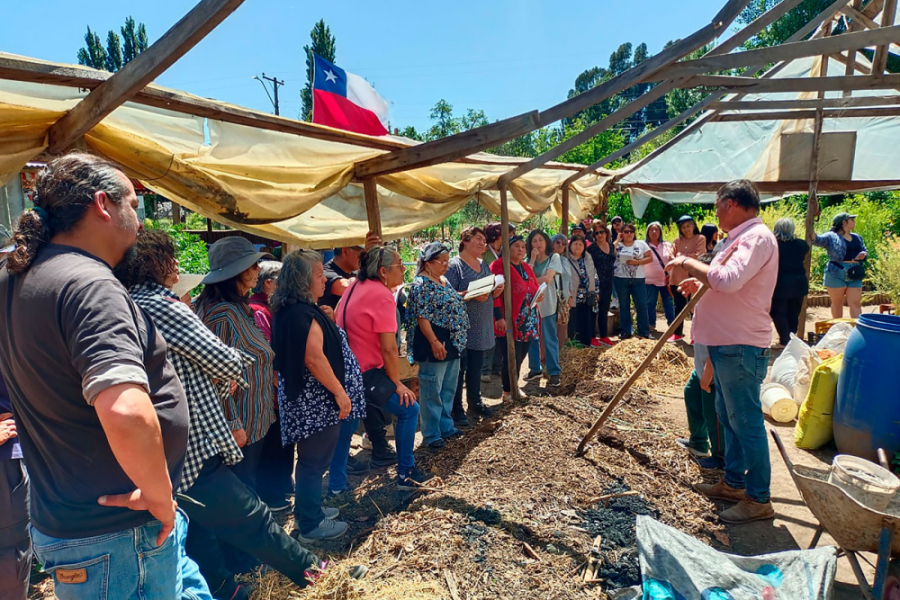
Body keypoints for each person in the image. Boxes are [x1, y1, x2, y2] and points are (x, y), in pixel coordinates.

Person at [0, 154, 207, 599]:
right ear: (103, 205)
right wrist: (157, 493)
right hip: (117, 535)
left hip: (78, 523)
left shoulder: (16, 279)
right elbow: (127, 413)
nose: (139, 215)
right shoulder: (88, 285)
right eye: (133, 202)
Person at [119, 231, 332, 599]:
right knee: (250, 516)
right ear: (160, 264)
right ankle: (313, 574)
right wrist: (230, 380)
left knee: (201, 523)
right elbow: (225, 360)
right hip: (199, 438)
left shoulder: (126, 303)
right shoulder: (165, 305)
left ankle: (224, 586)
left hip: (170, 441)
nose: (178, 267)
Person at [666, 179, 778, 524]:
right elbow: (723, 282)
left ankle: (758, 498)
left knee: (746, 422)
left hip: (740, 345)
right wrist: (700, 280)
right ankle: (733, 483)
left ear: (730, 203)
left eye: (716, 206)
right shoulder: (739, 238)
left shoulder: (756, 238)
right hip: (725, 344)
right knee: (729, 418)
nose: (715, 213)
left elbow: (727, 280)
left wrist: (687, 262)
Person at [271, 250, 367, 542]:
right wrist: (340, 393)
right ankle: (311, 525)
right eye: (317, 274)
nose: (324, 278)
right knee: (314, 463)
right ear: (301, 280)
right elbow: (313, 359)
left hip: (309, 400)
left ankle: (310, 511)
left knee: (313, 463)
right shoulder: (300, 313)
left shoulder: (294, 309)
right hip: (316, 401)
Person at [336, 247, 431, 489]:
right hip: (366, 373)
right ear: (383, 271)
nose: (403, 268)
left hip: (345, 369)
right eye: (400, 264)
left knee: (345, 426)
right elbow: (389, 348)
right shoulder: (382, 295)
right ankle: (406, 473)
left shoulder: (354, 287)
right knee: (409, 409)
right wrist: (397, 383)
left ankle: (337, 485)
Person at [194, 237, 276, 494]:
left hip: (252, 418)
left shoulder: (238, 308)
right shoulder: (221, 314)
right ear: (235, 273)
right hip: (239, 424)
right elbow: (214, 375)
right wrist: (233, 424)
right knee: (240, 491)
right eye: (252, 266)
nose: (258, 270)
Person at [405, 242, 468, 449]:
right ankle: (431, 434)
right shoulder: (421, 285)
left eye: (447, 261)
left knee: (448, 388)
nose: (446, 266)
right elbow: (422, 316)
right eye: (442, 262)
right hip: (434, 343)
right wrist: (433, 341)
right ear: (428, 263)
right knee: (432, 389)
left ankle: (446, 426)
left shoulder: (442, 280)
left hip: (451, 342)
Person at [446, 228, 503, 427]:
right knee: (459, 370)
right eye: (478, 239)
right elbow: (448, 295)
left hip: (480, 325)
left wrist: (495, 292)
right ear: (465, 240)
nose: (483, 243)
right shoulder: (455, 266)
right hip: (462, 327)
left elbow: (487, 293)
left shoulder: (483, 264)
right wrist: (470, 295)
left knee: (475, 367)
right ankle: (456, 409)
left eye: (484, 240)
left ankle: (474, 402)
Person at [249, 261, 293, 513]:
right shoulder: (258, 310)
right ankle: (272, 495)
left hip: (275, 389)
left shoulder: (268, 307)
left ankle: (283, 485)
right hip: (270, 391)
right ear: (268, 282)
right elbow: (267, 354)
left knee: (282, 441)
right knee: (273, 442)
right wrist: (278, 382)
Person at [490, 237, 542, 401]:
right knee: (511, 356)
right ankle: (507, 391)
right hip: (510, 319)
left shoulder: (525, 266)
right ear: (507, 248)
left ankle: (515, 386)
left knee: (520, 356)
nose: (520, 249)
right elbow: (495, 293)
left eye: (522, 247)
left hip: (528, 319)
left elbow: (533, 286)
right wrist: (498, 316)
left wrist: (538, 295)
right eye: (516, 246)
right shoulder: (499, 265)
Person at [678, 343, 726, 471]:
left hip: (713, 368)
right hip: (702, 365)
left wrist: (709, 372)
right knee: (691, 393)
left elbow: (720, 342)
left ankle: (721, 458)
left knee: (713, 415)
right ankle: (698, 443)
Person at [525, 229, 563, 387]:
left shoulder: (554, 257)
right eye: (534, 241)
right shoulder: (528, 260)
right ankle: (535, 369)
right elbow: (525, 277)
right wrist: (532, 260)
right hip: (531, 305)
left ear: (546, 241)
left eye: (541, 240)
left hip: (547, 304)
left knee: (549, 338)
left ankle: (554, 372)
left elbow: (547, 279)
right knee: (532, 338)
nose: (538, 243)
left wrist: (530, 282)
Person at [814, 212, 868, 319]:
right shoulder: (831, 236)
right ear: (844, 222)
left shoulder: (857, 237)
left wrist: (863, 255)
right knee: (837, 303)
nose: (854, 222)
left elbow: (864, 250)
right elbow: (817, 240)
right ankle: (838, 328)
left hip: (855, 272)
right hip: (836, 271)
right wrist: (811, 231)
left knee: (856, 303)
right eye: (852, 220)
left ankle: (856, 330)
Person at [482, 223, 515, 379]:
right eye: (508, 234)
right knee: (489, 331)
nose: (510, 237)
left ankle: (497, 367)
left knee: (500, 331)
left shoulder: (504, 252)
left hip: (502, 295)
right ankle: (485, 370)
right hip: (486, 295)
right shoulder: (485, 252)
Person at [771, 218, 809, 347]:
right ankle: (791, 338)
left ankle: (784, 339)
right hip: (799, 282)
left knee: (778, 311)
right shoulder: (802, 244)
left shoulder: (774, 245)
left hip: (780, 283)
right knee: (794, 311)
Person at [669, 215, 706, 342]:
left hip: (694, 279)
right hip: (677, 278)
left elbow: (700, 255)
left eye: (688, 226)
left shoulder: (700, 238)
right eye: (683, 227)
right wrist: (683, 257)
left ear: (694, 226)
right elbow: (671, 256)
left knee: (695, 308)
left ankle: (696, 336)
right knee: (679, 307)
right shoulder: (677, 241)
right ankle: (677, 334)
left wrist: (681, 256)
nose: (686, 229)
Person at [613, 223, 652, 340]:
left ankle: (644, 332)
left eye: (631, 231)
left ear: (634, 233)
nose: (628, 234)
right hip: (620, 278)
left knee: (641, 305)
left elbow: (650, 258)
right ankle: (625, 331)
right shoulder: (617, 245)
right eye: (626, 232)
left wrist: (637, 262)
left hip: (638, 278)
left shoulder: (641, 244)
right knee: (624, 305)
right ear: (622, 233)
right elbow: (609, 252)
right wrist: (617, 240)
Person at [587, 225, 616, 347]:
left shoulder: (611, 246)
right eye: (597, 233)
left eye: (602, 232)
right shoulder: (591, 249)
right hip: (596, 283)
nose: (600, 235)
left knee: (604, 310)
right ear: (594, 236)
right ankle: (592, 337)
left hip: (608, 282)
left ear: (606, 233)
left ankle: (604, 336)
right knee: (593, 311)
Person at [644, 222, 675, 332]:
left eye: (656, 230)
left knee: (668, 302)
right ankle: (651, 324)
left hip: (666, 280)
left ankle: (673, 325)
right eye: (651, 230)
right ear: (647, 232)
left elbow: (673, 258)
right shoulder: (644, 245)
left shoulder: (667, 245)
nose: (654, 232)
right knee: (650, 303)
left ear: (660, 232)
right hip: (650, 280)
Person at [567, 237, 597, 347]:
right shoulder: (566, 259)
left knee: (586, 320)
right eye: (575, 244)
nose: (578, 246)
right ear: (570, 246)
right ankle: (573, 344)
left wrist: (595, 291)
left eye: (580, 244)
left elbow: (594, 275)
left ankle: (585, 344)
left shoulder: (588, 258)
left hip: (586, 295)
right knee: (573, 320)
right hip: (573, 295)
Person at [551, 233, 578, 348]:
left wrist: (571, 297)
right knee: (551, 328)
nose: (560, 246)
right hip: (552, 298)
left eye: (563, 244)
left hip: (564, 298)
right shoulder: (547, 258)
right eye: (558, 242)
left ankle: (559, 352)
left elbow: (570, 279)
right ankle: (546, 356)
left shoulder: (564, 260)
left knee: (562, 326)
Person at [318, 245, 363, 310]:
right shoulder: (326, 274)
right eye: (361, 253)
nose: (363, 257)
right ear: (345, 250)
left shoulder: (355, 273)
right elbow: (349, 289)